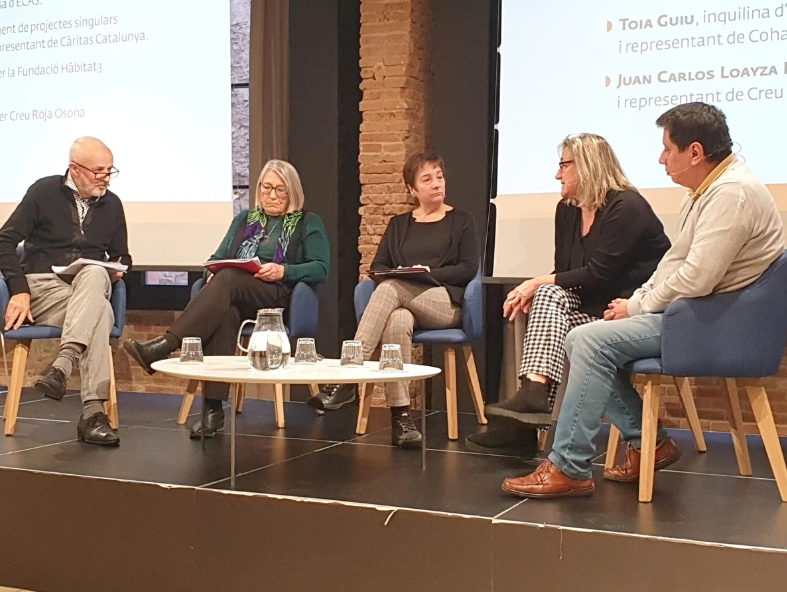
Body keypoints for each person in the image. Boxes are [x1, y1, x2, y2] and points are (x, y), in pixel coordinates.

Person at [502, 102, 784, 499]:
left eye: (667, 149)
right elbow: (674, 264)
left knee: (588, 340)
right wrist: (638, 300)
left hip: (721, 324)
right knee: (583, 338)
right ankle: (649, 443)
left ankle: (569, 467)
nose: (661, 159)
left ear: (695, 152)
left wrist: (635, 307)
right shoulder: (706, 191)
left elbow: (697, 279)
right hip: (701, 313)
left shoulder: (730, 194)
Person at [466, 134, 670, 457]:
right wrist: (541, 289)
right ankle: (530, 403)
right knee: (547, 297)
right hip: (592, 306)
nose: (557, 175)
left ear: (587, 166)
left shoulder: (627, 207)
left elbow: (600, 275)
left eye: (563, 166)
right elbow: (566, 272)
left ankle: (524, 426)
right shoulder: (567, 210)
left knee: (546, 296)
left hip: (628, 309)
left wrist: (537, 283)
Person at [124, 160, 330, 439]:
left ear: (292, 191)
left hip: (278, 295)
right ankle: (213, 410)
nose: (271, 195)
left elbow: (321, 267)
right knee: (225, 311)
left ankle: (166, 345)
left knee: (229, 278)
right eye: (266, 188)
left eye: (280, 190)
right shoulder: (244, 220)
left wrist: (284, 270)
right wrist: (212, 271)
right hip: (237, 294)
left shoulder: (307, 222)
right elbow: (217, 257)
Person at [308, 151, 479, 448]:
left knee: (391, 288)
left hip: (445, 303)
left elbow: (468, 268)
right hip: (406, 304)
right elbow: (379, 266)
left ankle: (348, 376)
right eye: (427, 179)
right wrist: (399, 274)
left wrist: (430, 273)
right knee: (397, 320)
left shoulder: (462, 221)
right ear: (412, 189)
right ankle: (402, 420)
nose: (436, 183)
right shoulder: (399, 225)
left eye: (439, 177)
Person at [0, 137, 130, 446]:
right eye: (99, 171)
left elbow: (122, 255)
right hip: (44, 289)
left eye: (110, 171)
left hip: (87, 288)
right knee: (100, 312)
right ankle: (93, 415)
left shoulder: (112, 204)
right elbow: (4, 240)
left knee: (95, 274)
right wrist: (19, 289)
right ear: (75, 168)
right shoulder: (44, 192)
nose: (106, 178)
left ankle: (63, 364)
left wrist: (119, 267)